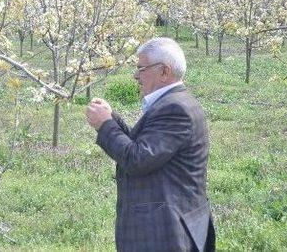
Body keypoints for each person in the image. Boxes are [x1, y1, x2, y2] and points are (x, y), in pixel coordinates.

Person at [86, 37, 215, 252]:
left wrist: (106, 125)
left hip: (166, 231)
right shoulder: (175, 102)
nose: (136, 75)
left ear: (164, 72)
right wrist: (112, 119)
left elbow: (137, 159)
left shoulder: (175, 109)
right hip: (172, 222)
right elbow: (148, 146)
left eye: (141, 68)